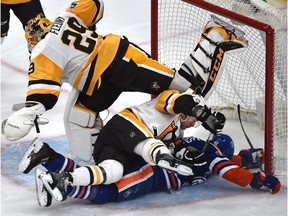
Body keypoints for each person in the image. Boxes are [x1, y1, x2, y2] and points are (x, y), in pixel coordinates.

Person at [2, 0, 248, 146]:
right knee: (79, 115)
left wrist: (27, 113)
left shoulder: (41, 55)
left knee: (184, 88)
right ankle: (105, 152)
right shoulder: (65, 17)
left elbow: (44, 96)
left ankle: (214, 35)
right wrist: (89, 31)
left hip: (122, 64)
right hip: (102, 75)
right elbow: (95, 5)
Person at [17, 90, 280, 207]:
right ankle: (65, 182)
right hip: (145, 160)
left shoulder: (192, 141)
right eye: (194, 118)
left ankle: (50, 160)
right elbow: (230, 169)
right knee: (110, 192)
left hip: (128, 147)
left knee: (106, 171)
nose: (193, 125)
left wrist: (255, 156)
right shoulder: (176, 109)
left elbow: (233, 161)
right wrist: (262, 180)